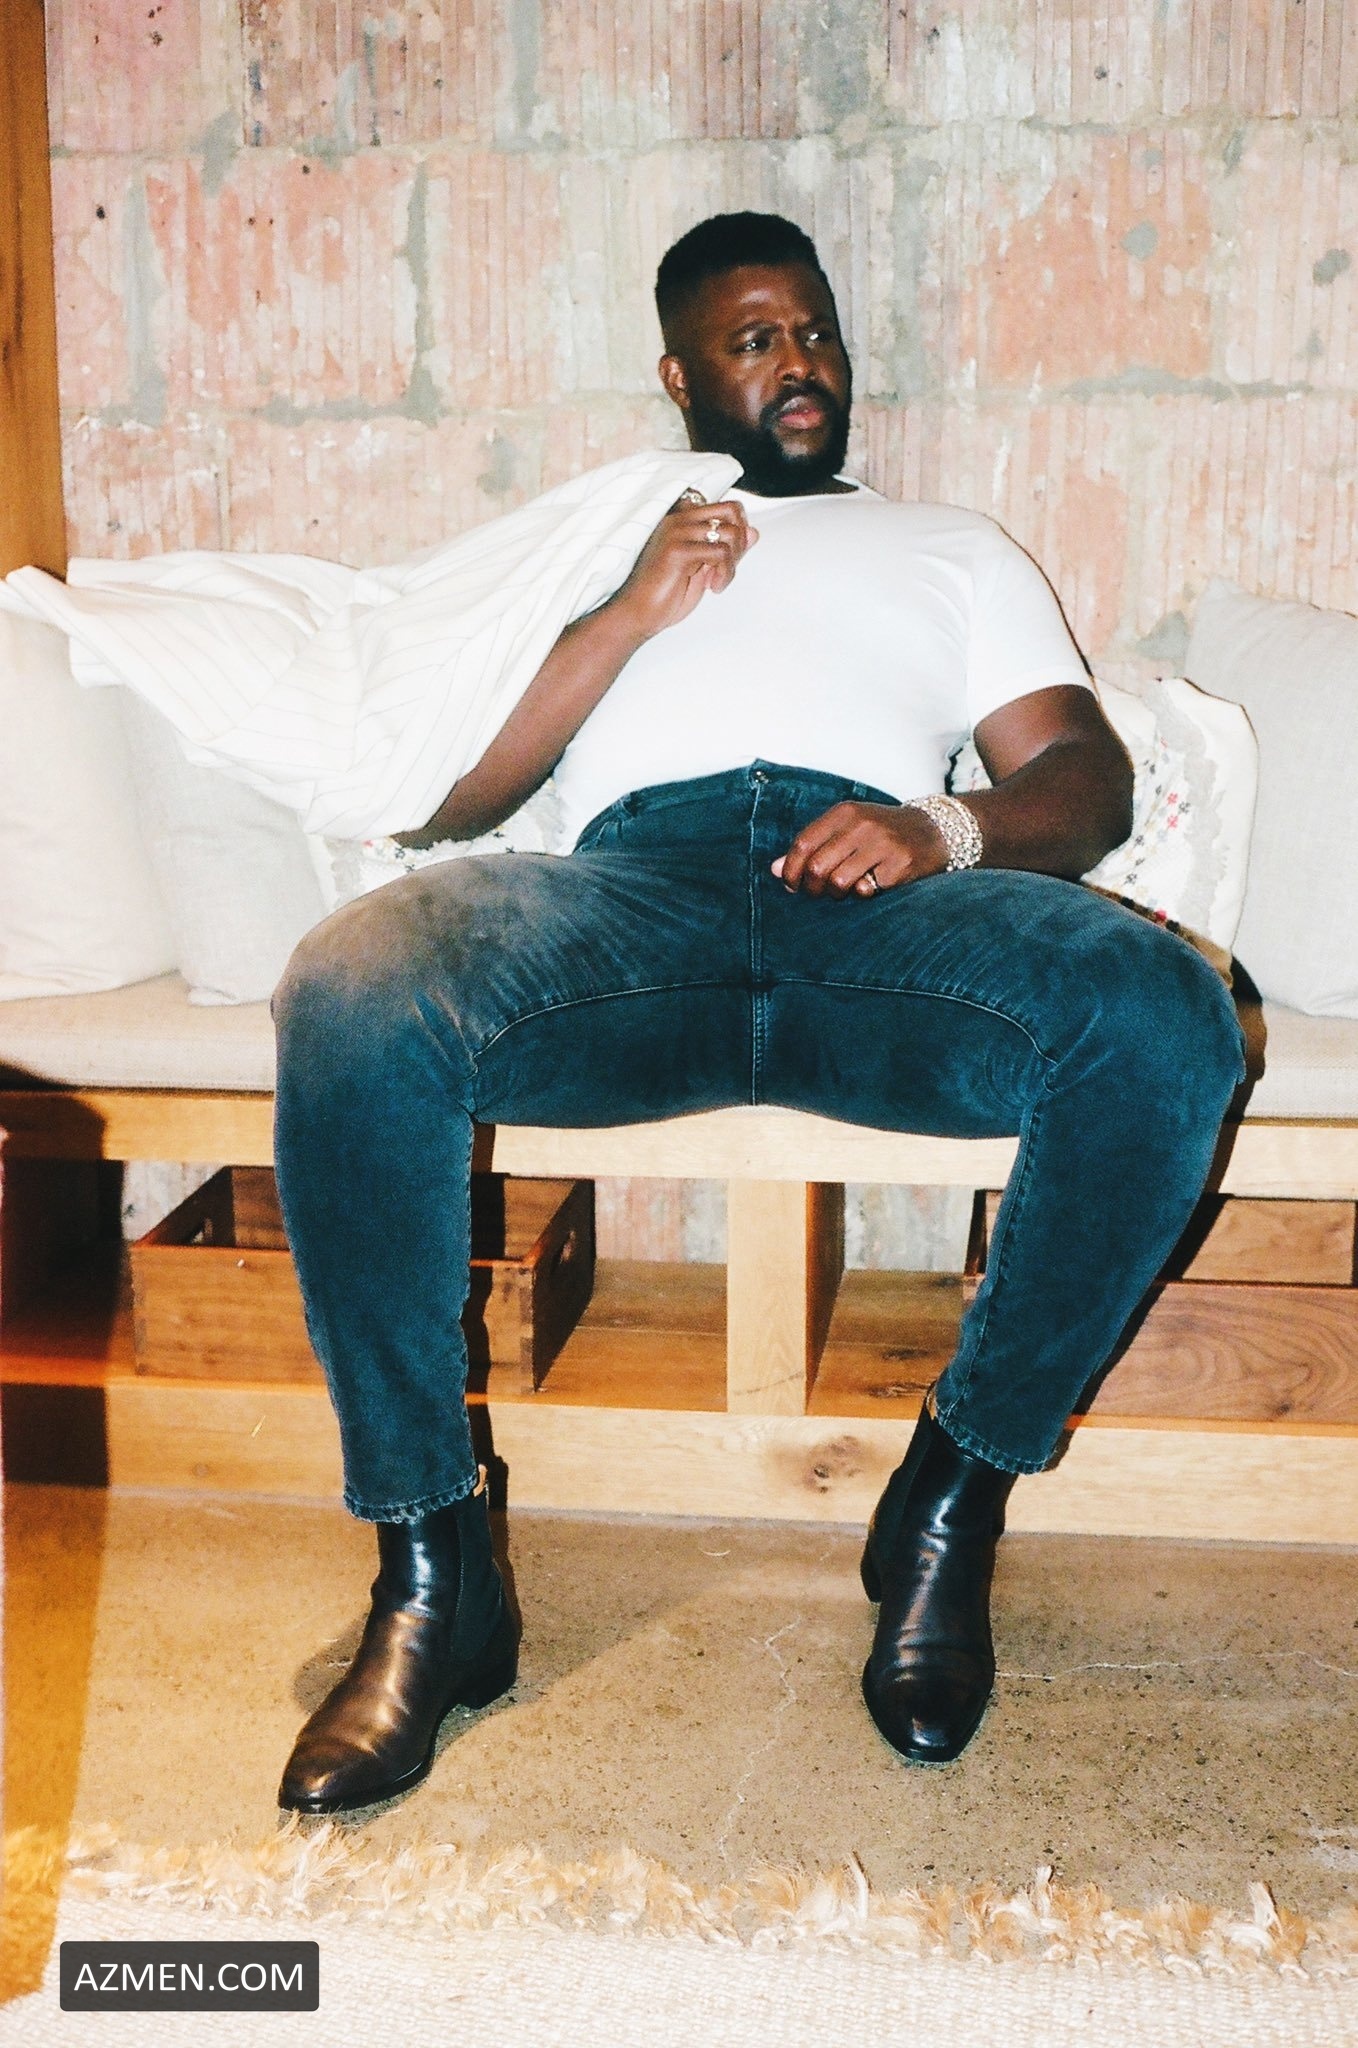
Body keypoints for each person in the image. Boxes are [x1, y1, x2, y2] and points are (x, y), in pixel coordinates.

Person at [272, 212, 1244, 1813]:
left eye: (812, 333)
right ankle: (434, 1574)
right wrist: (630, 609)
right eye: (751, 340)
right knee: (355, 987)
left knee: (1163, 1013)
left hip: (881, 903)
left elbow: (1084, 780)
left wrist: (943, 830)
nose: (796, 364)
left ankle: (946, 1505)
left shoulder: (950, 546)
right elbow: (456, 798)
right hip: (625, 907)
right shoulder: (609, 541)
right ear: (678, 375)